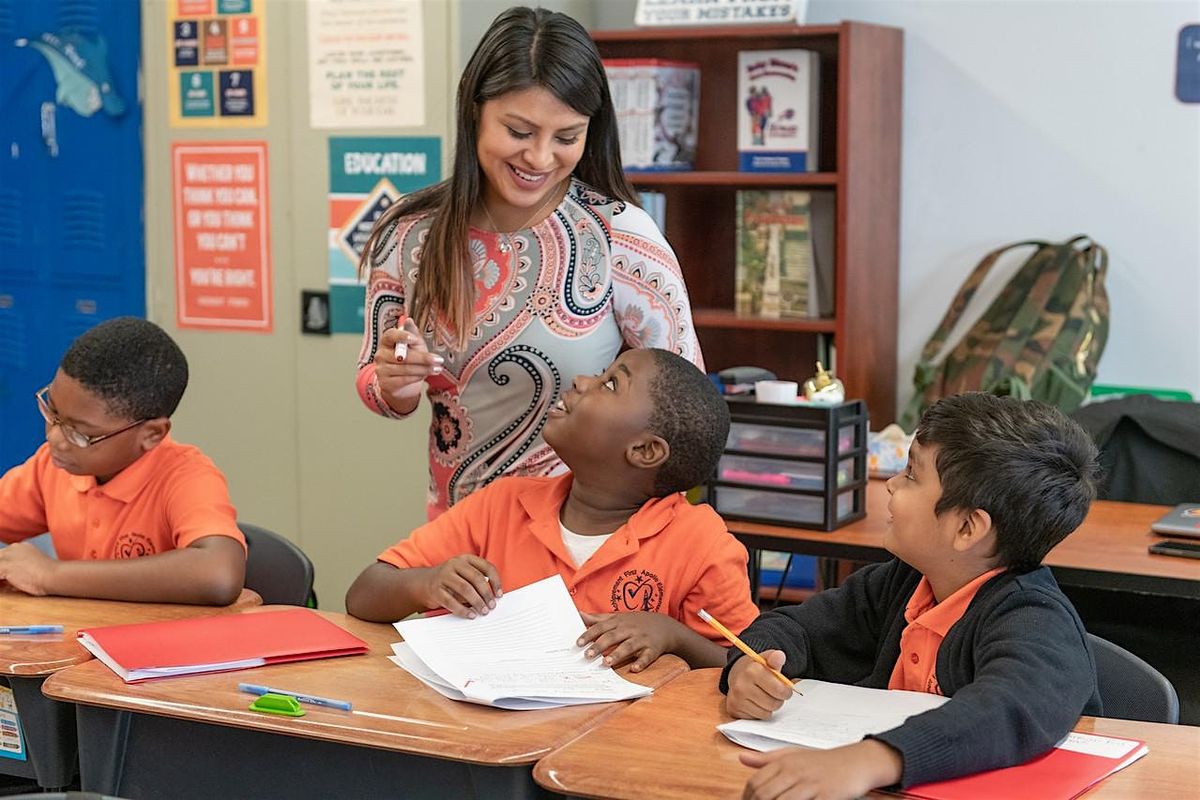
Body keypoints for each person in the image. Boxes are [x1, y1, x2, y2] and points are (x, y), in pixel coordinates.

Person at [355, 6, 703, 519]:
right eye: (519, 131)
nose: (540, 158)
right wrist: (395, 382)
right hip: (457, 541)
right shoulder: (413, 235)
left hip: (584, 545)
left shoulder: (618, 234)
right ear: (475, 111)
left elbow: (685, 411)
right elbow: (376, 384)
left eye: (566, 137)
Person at [724, 393, 1102, 800]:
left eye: (910, 475)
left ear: (967, 528)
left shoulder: (1033, 617)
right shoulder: (904, 584)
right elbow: (795, 626)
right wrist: (751, 665)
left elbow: (1008, 708)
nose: (890, 484)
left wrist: (867, 760)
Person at [346, 348, 757, 671]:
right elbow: (363, 595)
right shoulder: (502, 503)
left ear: (645, 450)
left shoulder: (702, 545)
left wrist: (673, 636)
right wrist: (428, 583)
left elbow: (746, 665)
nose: (581, 381)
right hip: (487, 738)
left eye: (610, 385)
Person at [0, 317, 246, 605]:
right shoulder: (55, 467)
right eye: (52, 413)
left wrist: (50, 574)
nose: (55, 438)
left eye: (80, 433)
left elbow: (218, 574)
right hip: (81, 641)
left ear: (152, 434)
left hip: (160, 645)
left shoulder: (186, 476)